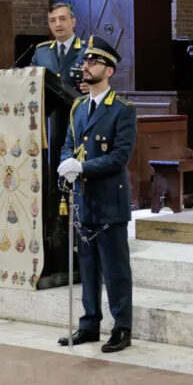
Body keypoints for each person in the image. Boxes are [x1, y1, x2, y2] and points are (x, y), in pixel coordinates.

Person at [56, 36, 137, 353]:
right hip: (83, 200)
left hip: (109, 201)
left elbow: (120, 157)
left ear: (109, 69)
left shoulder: (122, 110)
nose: (86, 66)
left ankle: (122, 328)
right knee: (87, 268)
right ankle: (89, 324)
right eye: (85, 62)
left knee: (116, 272)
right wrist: (67, 163)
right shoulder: (77, 107)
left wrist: (83, 167)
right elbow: (67, 143)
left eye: (93, 62)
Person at [30, 2, 88, 91]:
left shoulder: (87, 51)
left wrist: (94, 87)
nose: (58, 24)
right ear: (49, 25)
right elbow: (31, 81)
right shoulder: (41, 52)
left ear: (73, 22)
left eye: (62, 19)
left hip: (77, 103)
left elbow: (102, 81)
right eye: (53, 20)